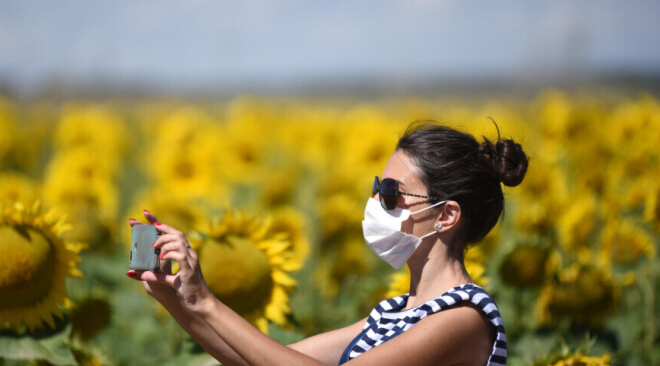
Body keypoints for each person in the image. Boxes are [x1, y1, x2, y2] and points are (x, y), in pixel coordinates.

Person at [127, 121, 528, 366]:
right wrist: (179, 301)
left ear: (446, 215)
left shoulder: (463, 318)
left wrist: (208, 304)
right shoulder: (394, 313)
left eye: (391, 194)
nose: (375, 204)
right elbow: (261, 360)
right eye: (377, 189)